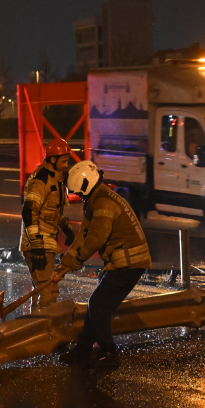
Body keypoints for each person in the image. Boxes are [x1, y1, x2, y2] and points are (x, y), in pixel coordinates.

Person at [51, 161, 150, 368]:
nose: (80, 197)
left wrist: (77, 261)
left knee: (98, 305)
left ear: (86, 185)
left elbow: (95, 239)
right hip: (120, 263)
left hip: (129, 263)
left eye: (80, 193)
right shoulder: (96, 199)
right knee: (96, 305)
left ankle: (109, 353)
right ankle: (83, 350)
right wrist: (65, 264)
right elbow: (82, 237)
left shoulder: (104, 203)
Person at [21, 139, 75, 308]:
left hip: (45, 244)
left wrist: (67, 229)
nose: (67, 165)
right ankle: (47, 331)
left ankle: (35, 326)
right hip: (39, 246)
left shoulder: (55, 180)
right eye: (64, 161)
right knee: (48, 292)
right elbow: (29, 212)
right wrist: (36, 244)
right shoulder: (41, 180)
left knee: (41, 291)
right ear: (53, 160)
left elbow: (52, 211)